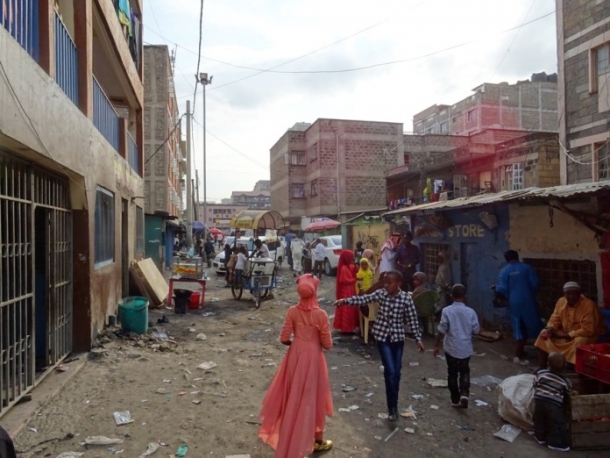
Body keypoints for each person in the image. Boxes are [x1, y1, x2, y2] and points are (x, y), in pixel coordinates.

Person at [258, 274, 333, 456]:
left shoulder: (292, 311)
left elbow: (284, 338)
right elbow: (328, 345)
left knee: (292, 397)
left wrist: (296, 344)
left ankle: (289, 439)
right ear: (315, 291)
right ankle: (317, 441)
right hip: (314, 359)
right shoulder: (321, 315)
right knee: (313, 399)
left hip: (295, 356)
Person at [335, 270, 425, 421]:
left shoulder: (406, 299)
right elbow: (364, 299)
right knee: (390, 370)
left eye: (389, 283)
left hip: (397, 338)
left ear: (398, 284)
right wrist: (345, 301)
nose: (386, 286)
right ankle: (392, 408)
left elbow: (412, 320)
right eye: (385, 282)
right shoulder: (381, 294)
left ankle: (394, 404)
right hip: (383, 337)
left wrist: (418, 339)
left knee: (396, 373)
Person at [433, 284, 480, 408]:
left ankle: (455, 399)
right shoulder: (471, 312)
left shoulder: (447, 311)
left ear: (451, 296)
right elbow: (476, 330)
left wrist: (436, 345)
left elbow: (442, 329)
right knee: (465, 371)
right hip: (465, 348)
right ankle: (464, 393)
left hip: (451, 347)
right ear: (465, 296)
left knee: (452, 372)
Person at [535, 281, 600, 368]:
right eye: (568, 294)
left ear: (580, 294)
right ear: (564, 294)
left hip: (583, 335)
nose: (572, 296)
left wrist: (565, 336)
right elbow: (555, 318)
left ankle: (576, 370)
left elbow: (588, 330)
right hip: (565, 334)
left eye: (575, 294)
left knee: (580, 341)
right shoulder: (561, 302)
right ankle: (541, 368)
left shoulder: (588, 305)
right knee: (544, 334)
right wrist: (550, 329)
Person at [495, 250, 542, 365]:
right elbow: (536, 284)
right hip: (529, 300)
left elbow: (502, 289)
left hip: (515, 302)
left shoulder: (504, 271)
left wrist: (496, 287)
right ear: (517, 256)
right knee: (535, 325)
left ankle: (518, 353)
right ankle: (542, 353)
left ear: (506, 259)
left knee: (519, 326)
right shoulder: (528, 268)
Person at [532, 352, 572, 452]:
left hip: (539, 401)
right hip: (554, 404)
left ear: (548, 364)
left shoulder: (541, 373)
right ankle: (556, 444)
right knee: (556, 423)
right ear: (564, 366)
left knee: (539, 419)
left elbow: (535, 384)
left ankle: (540, 438)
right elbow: (568, 392)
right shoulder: (564, 381)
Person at [333, 251, 359, 333]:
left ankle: (349, 327)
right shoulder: (344, 268)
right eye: (351, 258)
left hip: (350, 289)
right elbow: (343, 280)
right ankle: (346, 329)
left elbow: (354, 271)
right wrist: (354, 280)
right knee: (347, 308)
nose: (352, 259)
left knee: (350, 308)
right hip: (346, 290)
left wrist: (355, 266)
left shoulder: (348, 266)